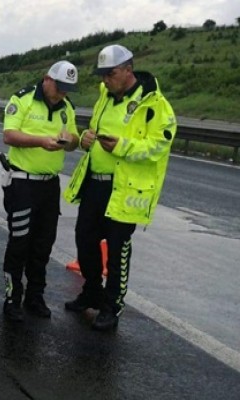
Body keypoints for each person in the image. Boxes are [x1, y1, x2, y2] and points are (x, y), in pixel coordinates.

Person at [63, 44, 176, 330]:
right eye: (102, 75)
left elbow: (159, 146)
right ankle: (92, 292)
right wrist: (85, 138)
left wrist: (124, 147)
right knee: (84, 240)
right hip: (95, 184)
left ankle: (112, 307)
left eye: (110, 74)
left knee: (117, 251)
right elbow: (92, 129)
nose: (105, 80)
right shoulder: (105, 96)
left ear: (128, 69)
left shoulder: (153, 103)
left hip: (124, 188)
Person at [1, 60, 80, 322]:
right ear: (47, 79)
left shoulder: (67, 107)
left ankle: (35, 296)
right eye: (60, 87)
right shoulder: (22, 99)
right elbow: (9, 135)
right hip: (22, 182)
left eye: (68, 89)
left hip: (49, 185)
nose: (63, 93)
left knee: (43, 244)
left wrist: (71, 141)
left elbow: (74, 141)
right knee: (19, 243)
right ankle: (13, 297)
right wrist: (40, 142)